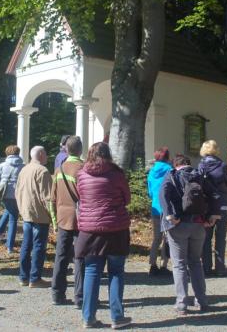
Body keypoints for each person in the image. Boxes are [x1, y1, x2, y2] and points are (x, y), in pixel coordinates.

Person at [75, 142, 132, 329]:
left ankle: (88, 317)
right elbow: (127, 199)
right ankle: (117, 316)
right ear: (108, 154)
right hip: (116, 228)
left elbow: (80, 197)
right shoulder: (116, 174)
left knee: (92, 271)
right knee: (116, 272)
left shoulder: (81, 174)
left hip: (90, 231)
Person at [161, 154, 221, 315]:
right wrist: (213, 215)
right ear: (188, 163)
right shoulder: (199, 176)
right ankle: (202, 300)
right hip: (198, 225)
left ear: (175, 165)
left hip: (178, 225)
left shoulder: (171, 175)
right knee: (195, 262)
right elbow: (215, 194)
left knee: (179, 264)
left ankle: (182, 303)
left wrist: (169, 216)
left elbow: (163, 194)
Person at [51, 136, 85, 307]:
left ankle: (57, 294)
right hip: (81, 218)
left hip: (63, 218)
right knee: (80, 258)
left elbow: (52, 198)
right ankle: (80, 297)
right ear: (80, 150)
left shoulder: (59, 170)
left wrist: (54, 222)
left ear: (66, 149)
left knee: (61, 256)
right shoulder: (84, 169)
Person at [16, 145, 54, 287]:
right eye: (45, 153)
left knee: (26, 245)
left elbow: (17, 191)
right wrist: (53, 217)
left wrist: (21, 209)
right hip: (40, 215)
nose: (47, 156)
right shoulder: (42, 171)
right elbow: (47, 197)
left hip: (27, 213)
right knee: (38, 246)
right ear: (41, 155)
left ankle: (23, 277)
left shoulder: (24, 169)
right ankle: (35, 278)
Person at [198, 140, 227, 276]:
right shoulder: (223, 165)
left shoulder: (201, 166)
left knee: (206, 237)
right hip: (222, 204)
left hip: (207, 204)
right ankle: (220, 268)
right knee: (220, 237)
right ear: (216, 150)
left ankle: (206, 267)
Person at [0, 145, 24, 254]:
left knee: (8, 211)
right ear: (18, 153)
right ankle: (10, 245)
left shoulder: (2, 165)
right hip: (17, 194)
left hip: (5, 194)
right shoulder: (23, 166)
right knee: (13, 219)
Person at [147, 146, 173, 276]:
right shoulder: (170, 170)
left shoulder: (151, 171)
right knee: (167, 237)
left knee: (156, 238)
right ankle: (164, 265)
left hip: (156, 207)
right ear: (167, 157)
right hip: (168, 207)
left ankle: (152, 265)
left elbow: (150, 192)